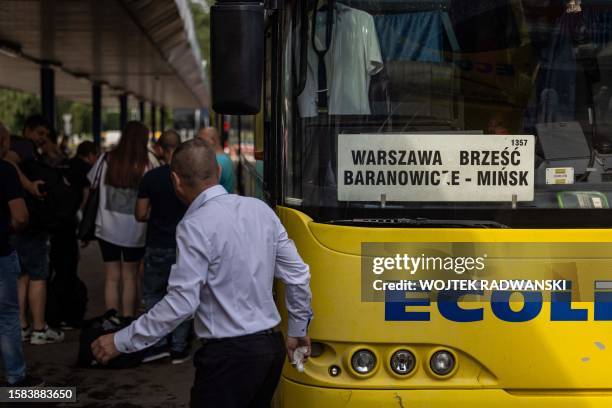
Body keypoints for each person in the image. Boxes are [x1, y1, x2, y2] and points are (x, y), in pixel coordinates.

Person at [92, 138, 313, 408]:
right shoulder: (261, 211)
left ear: (175, 180)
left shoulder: (194, 226)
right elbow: (298, 274)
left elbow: (182, 303)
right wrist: (298, 328)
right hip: (271, 350)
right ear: (218, 172)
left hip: (228, 359)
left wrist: (121, 340)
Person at [88, 121, 154, 320]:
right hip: (136, 231)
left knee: (111, 277)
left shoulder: (107, 158)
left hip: (107, 229)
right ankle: (127, 318)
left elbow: (92, 181)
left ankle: (111, 317)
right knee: (130, 276)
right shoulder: (148, 162)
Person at [8, 115, 65, 345]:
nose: (43, 138)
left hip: (14, 225)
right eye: (40, 133)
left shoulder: (26, 150)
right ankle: (39, 329)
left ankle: (22, 326)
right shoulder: (21, 148)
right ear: (28, 130)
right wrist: (30, 186)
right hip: (30, 223)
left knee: (21, 276)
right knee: (38, 276)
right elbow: (12, 163)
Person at [135, 130, 190, 364]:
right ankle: (179, 347)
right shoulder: (188, 178)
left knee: (154, 296)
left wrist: (157, 216)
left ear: (160, 149)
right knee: (182, 296)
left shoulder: (151, 178)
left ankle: (157, 344)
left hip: (157, 244)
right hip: (184, 247)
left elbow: (140, 214)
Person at [0, 123, 43, 386]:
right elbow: (20, 216)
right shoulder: (4, 171)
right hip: (0, 252)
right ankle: (16, 380)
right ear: (4, 143)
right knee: (6, 317)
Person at [198, 127, 235, 193]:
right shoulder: (223, 157)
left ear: (212, 140)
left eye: (201, 140)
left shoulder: (216, 161)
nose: (199, 143)